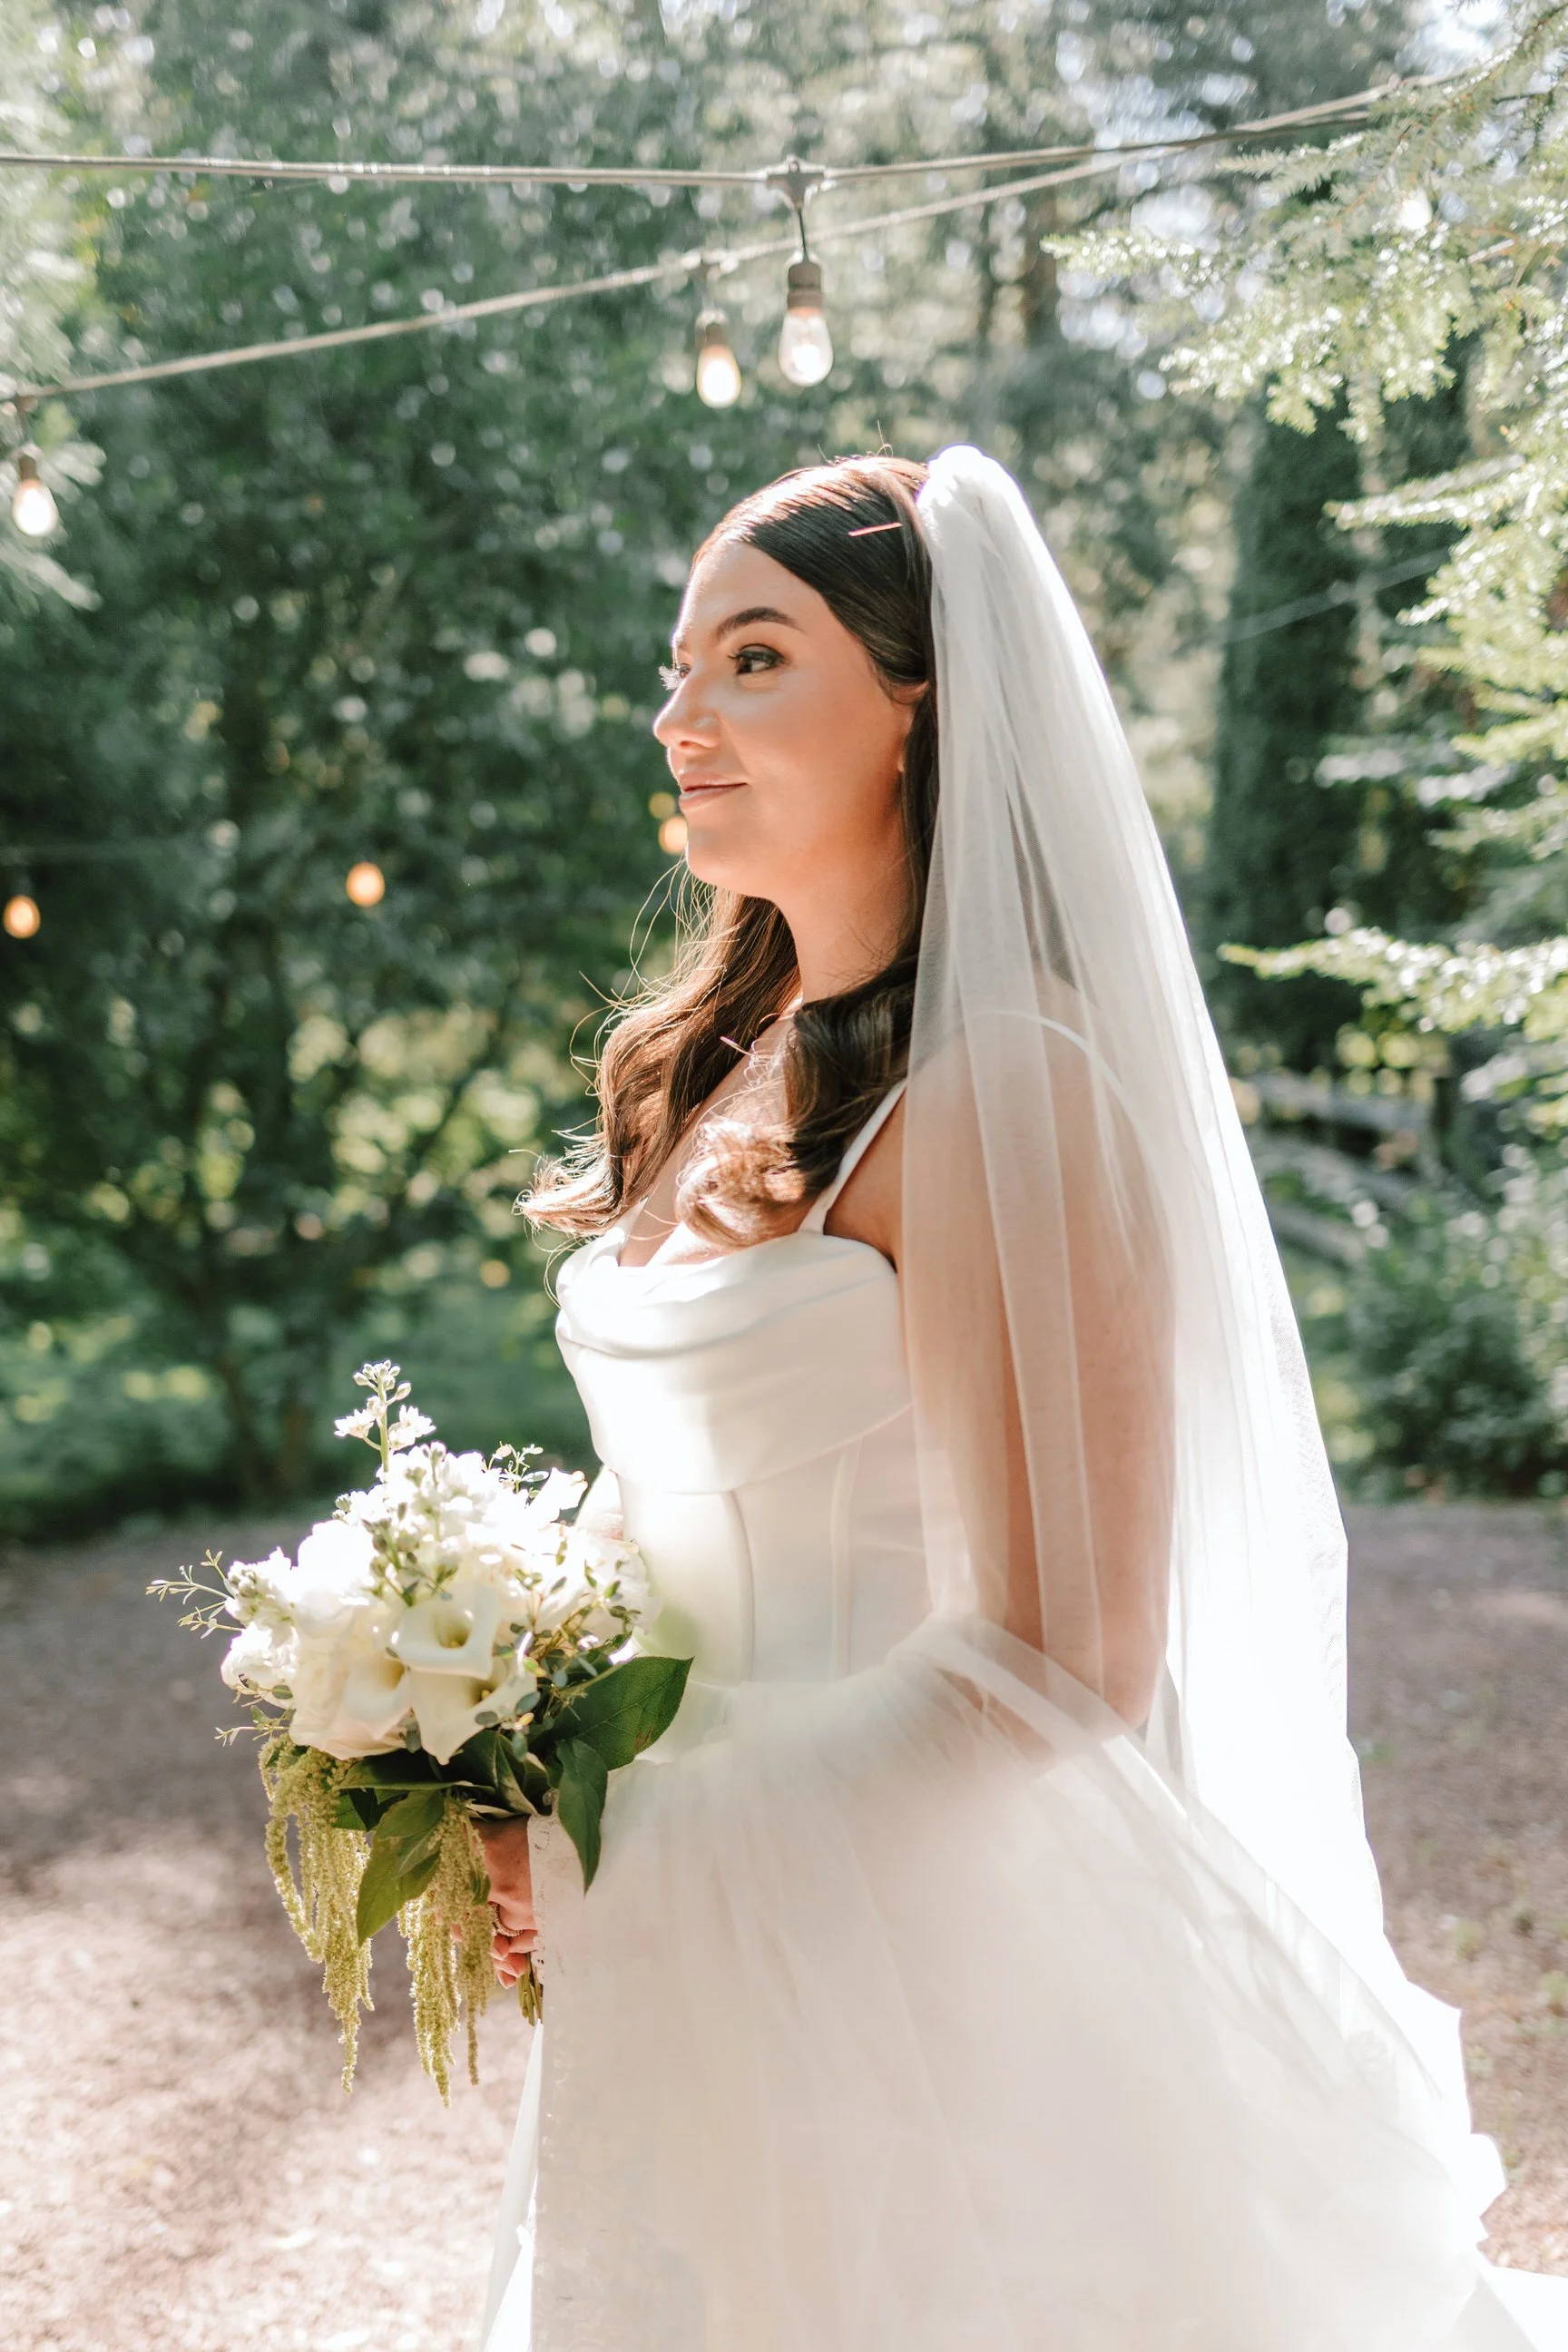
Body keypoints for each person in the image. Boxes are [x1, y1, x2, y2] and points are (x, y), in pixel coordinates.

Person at [476, 447, 1568, 2352]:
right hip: (699, 1957)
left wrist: (653, 1858)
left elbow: (1068, 1653)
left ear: (916, 707)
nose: (680, 717)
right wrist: (486, 1726)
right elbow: (655, 1504)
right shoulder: (721, 1076)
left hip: (923, 1959)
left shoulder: (1005, 1093)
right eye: (679, 667)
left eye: (753, 659)